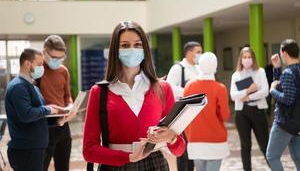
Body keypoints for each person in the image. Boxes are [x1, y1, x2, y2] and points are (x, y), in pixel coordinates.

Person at [83, 21, 185, 170]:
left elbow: (179, 149)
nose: (132, 50)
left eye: (138, 45)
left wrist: (172, 137)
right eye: (125, 45)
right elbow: (89, 150)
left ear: (145, 49)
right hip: (115, 165)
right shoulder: (99, 92)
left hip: (155, 164)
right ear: (115, 51)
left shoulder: (163, 89)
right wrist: (128, 157)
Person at [5, 48, 62, 171]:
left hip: (35, 149)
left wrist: (57, 121)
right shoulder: (18, 87)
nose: (42, 68)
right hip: (25, 151)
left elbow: (36, 117)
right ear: (27, 64)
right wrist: (48, 110)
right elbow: (26, 115)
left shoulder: (32, 86)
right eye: (39, 64)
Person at [184, 52, 230, 171]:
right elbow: (225, 116)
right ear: (215, 67)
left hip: (194, 139)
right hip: (215, 140)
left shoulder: (189, 86)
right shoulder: (220, 88)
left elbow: (184, 114)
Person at [230, 47, 269, 171]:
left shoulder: (260, 72)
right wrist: (248, 90)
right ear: (240, 59)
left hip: (258, 110)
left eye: (250, 57)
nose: (247, 60)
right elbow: (233, 95)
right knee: (245, 146)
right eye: (245, 57)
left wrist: (247, 97)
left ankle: (274, 167)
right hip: (242, 113)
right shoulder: (236, 75)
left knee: (265, 144)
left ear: (253, 59)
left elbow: (265, 91)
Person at [39, 35, 75, 171]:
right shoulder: (37, 71)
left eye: (60, 58)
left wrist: (70, 106)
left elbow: (67, 95)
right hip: (44, 126)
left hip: (63, 126)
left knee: (63, 167)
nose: (57, 61)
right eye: (54, 58)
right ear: (44, 52)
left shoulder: (63, 71)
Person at [166, 41, 202, 171]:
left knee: (193, 148)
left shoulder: (199, 69)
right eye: (198, 52)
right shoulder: (178, 68)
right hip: (182, 113)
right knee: (183, 149)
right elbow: (169, 87)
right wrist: (189, 91)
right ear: (189, 53)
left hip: (196, 113)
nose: (200, 55)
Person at [266, 39, 300, 171]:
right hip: (297, 123)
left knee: (272, 156)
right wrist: (277, 68)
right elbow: (286, 87)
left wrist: (272, 91)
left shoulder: (288, 73)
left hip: (284, 123)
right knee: (297, 157)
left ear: (284, 53)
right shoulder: (293, 72)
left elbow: (287, 98)